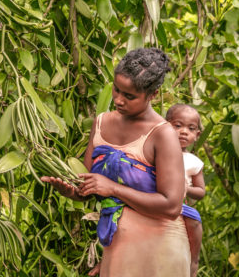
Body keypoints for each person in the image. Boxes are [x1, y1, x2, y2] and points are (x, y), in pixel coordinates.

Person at [41, 48, 191, 276]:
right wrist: (72, 192)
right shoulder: (101, 122)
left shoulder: (163, 134)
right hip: (118, 245)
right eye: (116, 90)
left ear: (153, 94)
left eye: (129, 96)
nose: (119, 100)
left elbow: (172, 206)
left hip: (160, 249)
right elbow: (91, 186)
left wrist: (113, 188)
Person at [166, 104, 205, 277]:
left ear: (197, 135)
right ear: (165, 126)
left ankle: (193, 261)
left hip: (180, 205)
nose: (183, 132)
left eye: (190, 129)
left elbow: (201, 191)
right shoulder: (157, 151)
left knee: (195, 220)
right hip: (156, 199)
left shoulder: (193, 162)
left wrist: (186, 188)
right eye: (178, 125)